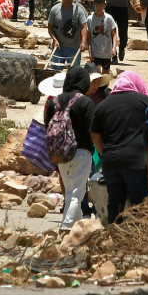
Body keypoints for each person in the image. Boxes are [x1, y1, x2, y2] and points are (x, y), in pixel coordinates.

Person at [91, 71, 148, 222]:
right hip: (137, 161)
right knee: (140, 204)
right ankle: (141, 239)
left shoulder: (103, 105)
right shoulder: (146, 102)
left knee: (115, 203)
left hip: (112, 162)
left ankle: (115, 238)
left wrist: (104, 153)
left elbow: (95, 135)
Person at [44, 65, 96, 232]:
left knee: (70, 192)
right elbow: (92, 130)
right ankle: (66, 228)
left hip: (60, 153)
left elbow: (47, 126)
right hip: (81, 152)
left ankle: (78, 228)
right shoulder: (86, 102)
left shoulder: (54, 102)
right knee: (77, 194)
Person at [48, 0, 88, 67]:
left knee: (74, 72)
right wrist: (55, 40)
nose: (68, 0)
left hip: (74, 47)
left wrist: (83, 42)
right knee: (56, 71)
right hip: (59, 47)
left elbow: (84, 27)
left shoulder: (79, 10)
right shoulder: (55, 10)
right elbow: (50, 27)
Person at [84, 0, 118, 71]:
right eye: (97, 5)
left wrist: (114, 48)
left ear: (105, 5)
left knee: (106, 72)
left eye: (101, 5)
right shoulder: (90, 19)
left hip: (107, 52)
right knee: (96, 73)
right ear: (94, 5)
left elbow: (114, 34)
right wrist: (90, 49)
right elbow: (88, 36)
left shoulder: (109, 18)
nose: (99, 8)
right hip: (95, 51)